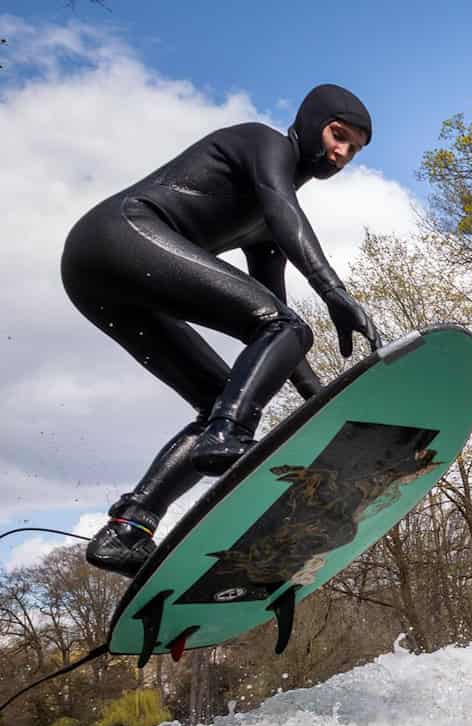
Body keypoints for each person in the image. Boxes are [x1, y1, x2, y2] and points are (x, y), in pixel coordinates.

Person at [63, 85, 381, 577]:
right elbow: (282, 209)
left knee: (225, 392)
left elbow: (274, 320)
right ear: (312, 122)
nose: (341, 154)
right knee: (272, 346)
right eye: (338, 136)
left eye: (353, 150)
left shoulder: (270, 223)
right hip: (116, 235)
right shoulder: (264, 144)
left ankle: (129, 528)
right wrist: (335, 293)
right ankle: (227, 435)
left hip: (100, 283)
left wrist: (319, 400)